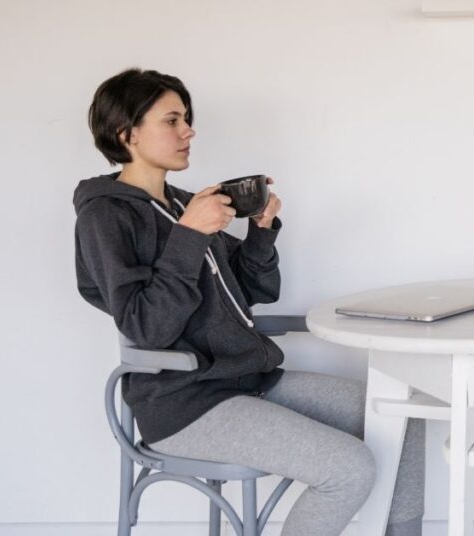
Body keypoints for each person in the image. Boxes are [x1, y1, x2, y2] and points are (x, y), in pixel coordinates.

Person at [75, 68, 425, 536]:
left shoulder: (184, 203)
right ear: (127, 133)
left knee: (405, 418)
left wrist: (259, 232)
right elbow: (145, 327)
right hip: (185, 402)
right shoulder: (106, 215)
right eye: (172, 120)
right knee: (348, 468)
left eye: (187, 119)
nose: (189, 131)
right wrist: (189, 235)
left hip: (247, 379)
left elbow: (253, 291)